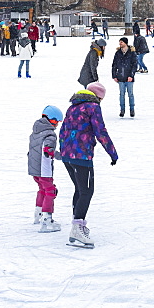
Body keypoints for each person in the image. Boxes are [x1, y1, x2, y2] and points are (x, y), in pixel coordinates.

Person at [58, 82, 118, 248]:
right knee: (87, 191)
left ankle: (78, 225)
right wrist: (112, 153)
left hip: (67, 155)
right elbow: (101, 131)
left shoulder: (73, 107)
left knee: (79, 189)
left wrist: (63, 151)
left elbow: (63, 130)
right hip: (81, 155)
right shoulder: (93, 107)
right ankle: (77, 227)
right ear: (98, 97)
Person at [28, 105, 63, 233]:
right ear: (49, 119)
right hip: (44, 169)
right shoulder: (50, 134)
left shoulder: (35, 132)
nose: (56, 125)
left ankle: (38, 215)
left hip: (34, 169)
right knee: (50, 191)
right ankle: (47, 219)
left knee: (42, 189)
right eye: (55, 121)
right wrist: (62, 156)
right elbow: (48, 150)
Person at [112, 37, 137, 117]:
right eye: (120, 42)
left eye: (121, 42)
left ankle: (132, 110)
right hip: (120, 76)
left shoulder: (132, 53)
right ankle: (122, 110)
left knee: (130, 94)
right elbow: (114, 65)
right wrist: (114, 75)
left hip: (129, 77)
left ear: (125, 43)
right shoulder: (118, 53)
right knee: (121, 94)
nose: (120, 43)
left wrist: (131, 75)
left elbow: (134, 65)